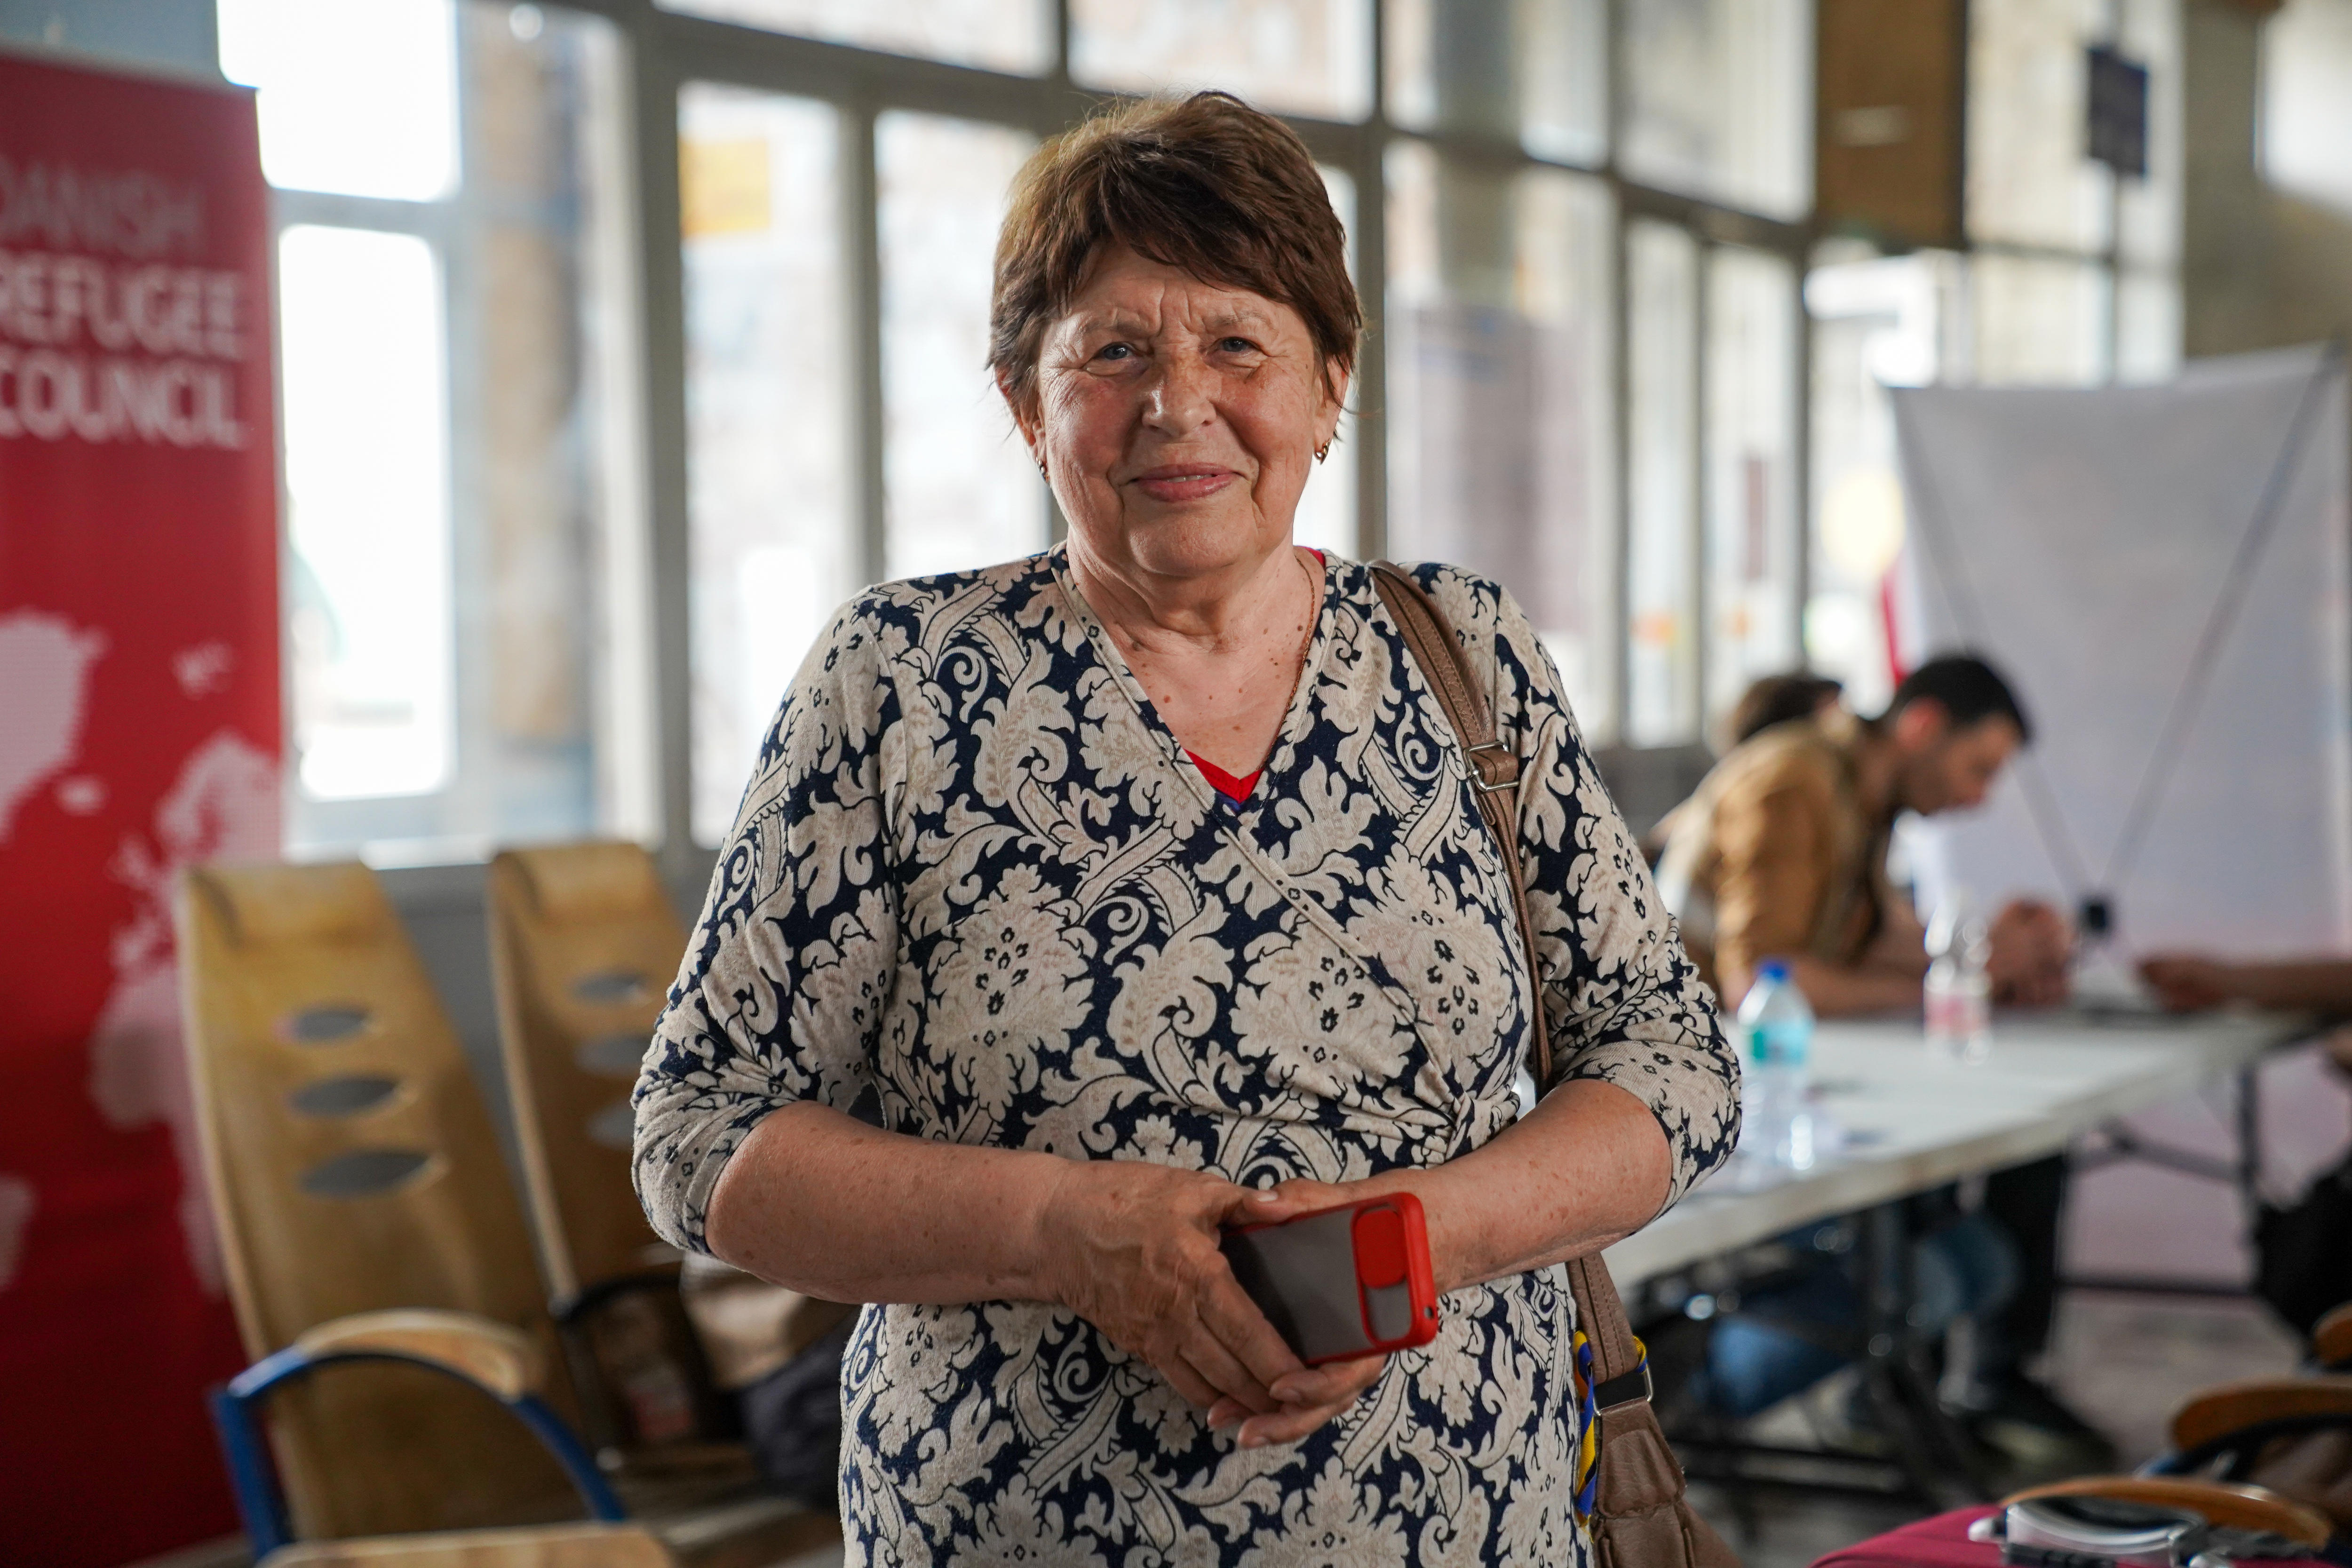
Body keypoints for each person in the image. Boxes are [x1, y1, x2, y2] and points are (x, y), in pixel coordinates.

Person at [632, 92, 1739, 1563]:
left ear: (1332, 382)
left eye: (1237, 344)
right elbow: (700, 1134)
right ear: (1027, 403)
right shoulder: (897, 680)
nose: (1177, 402)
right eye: (1113, 352)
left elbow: (1674, 1062)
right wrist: (1058, 1228)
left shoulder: (1463, 651)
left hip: (1475, 1524)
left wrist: (1417, 1239)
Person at [1655, 655, 2100, 1466]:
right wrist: (1958, 973)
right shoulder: (1795, 779)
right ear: (1923, 726)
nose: (1980, 797)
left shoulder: (1860, 792)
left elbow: (1872, 946)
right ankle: (1672, 1398)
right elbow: (1765, 980)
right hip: (1706, 1108)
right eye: (1978, 768)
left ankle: (1898, 1399)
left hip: (1783, 1091)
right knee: (1933, 1271)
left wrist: (1990, 953)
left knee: (1978, 1251)